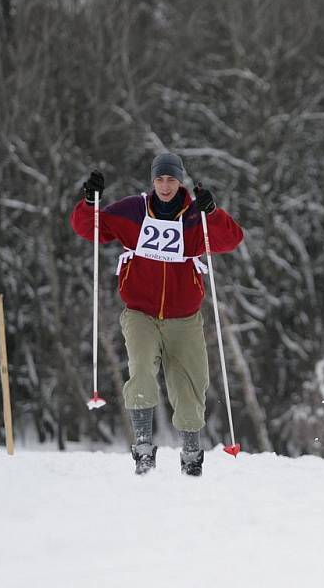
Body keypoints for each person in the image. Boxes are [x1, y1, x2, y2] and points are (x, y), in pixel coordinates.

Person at [70, 153, 244, 476]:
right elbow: (89, 229)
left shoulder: (195, 216)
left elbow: (231, 239)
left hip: (184, 317)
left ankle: (192, 454)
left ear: (181, 181)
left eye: (171, 180)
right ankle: (143, 449)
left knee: (190, 385)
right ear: (153, 181)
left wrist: (213, 213)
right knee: (141, 371)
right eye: (160, 179)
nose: (165, 186)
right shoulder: (134, 211)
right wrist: (89, 202)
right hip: (141, 313)